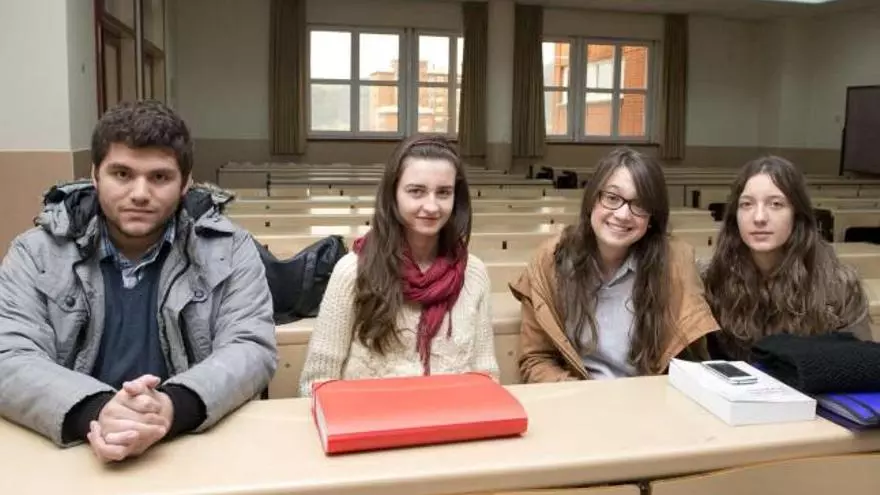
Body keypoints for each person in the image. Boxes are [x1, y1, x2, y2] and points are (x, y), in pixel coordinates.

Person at [0, 100, 277, 461]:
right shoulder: (35, 252)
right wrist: (97, 411)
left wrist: (171, 407)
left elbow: (250, 347)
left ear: (185, 183)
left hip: (189, 447)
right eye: (122, 174)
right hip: (73, 450)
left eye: (160, 177)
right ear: (95, 175)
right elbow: (10, 355)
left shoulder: (230, 249)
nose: (140, 193)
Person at [298, 135, 498, 396]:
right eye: (416, 191)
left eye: (444, 193)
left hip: (453, 415)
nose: (431, 206)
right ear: (393, 195)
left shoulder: (474, 273)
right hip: (368, 417)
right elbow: (316, 383)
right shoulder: (352, 271)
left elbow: (486, 375)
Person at [510, 148, 719, 382]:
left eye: (640, 204)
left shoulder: (675, 263)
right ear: (592, 200)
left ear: (652, 217)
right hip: (578, 395)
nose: (622, 214)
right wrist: (582, 394)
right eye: (612, 198)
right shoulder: (551, 261)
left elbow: (689, 362)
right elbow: (536, 359)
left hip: (648, 397)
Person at [702, 156, 871, 361]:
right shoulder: (712, 280)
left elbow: (858, 364)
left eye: (776, 204)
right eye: (747, 204)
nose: (759, 217)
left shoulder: (839, 286)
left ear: (797, 214)